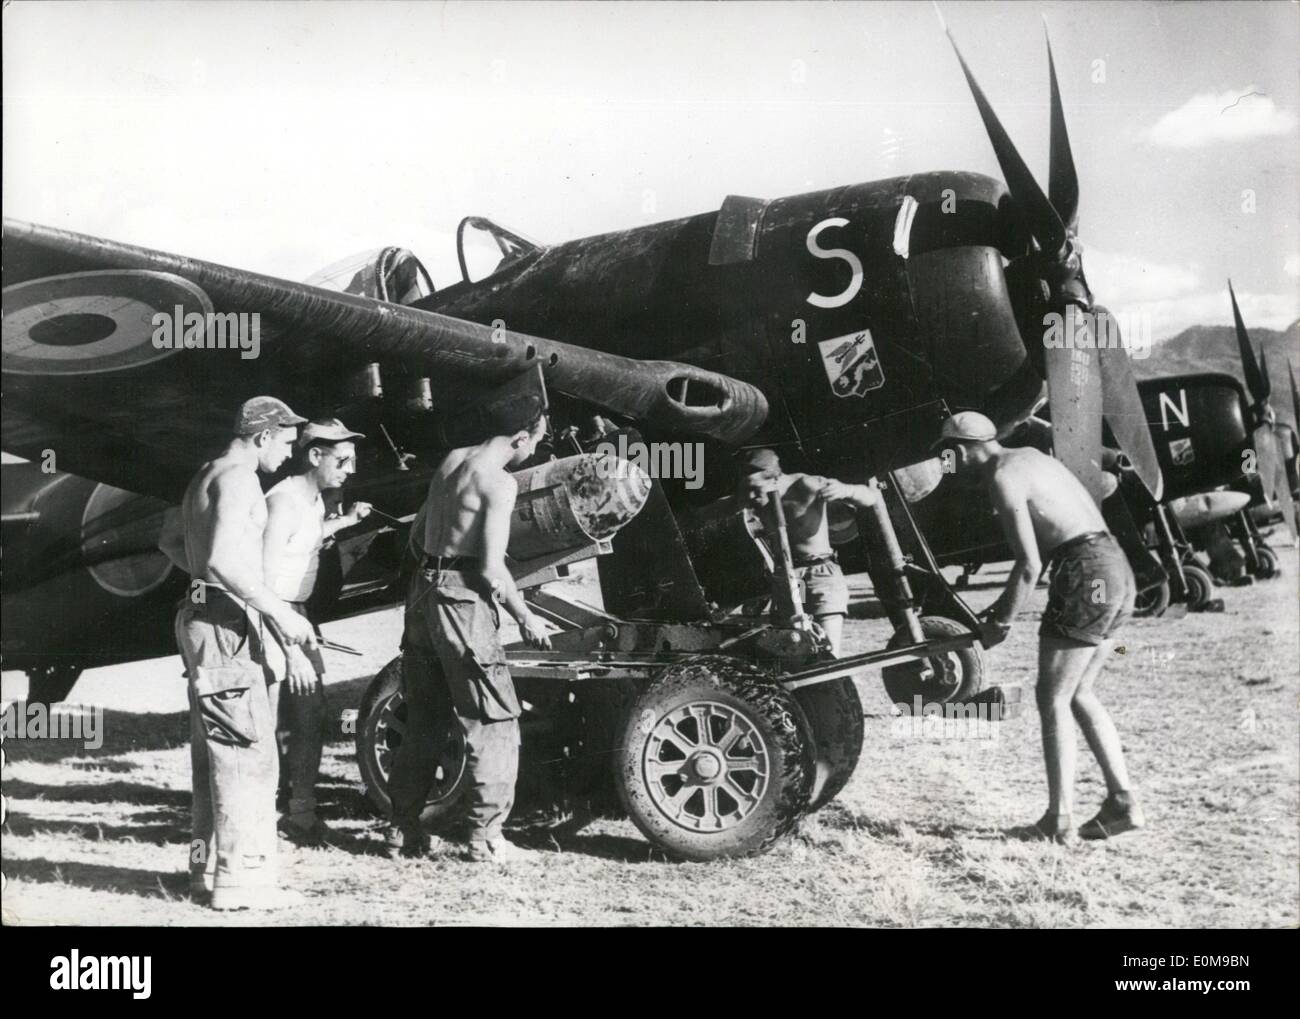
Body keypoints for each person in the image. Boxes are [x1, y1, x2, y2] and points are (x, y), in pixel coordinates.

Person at [932, 411, 1144, 843]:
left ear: (962, 449)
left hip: (1084, 570)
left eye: (950, 454)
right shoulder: (1031, 456)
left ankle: (1059, 819)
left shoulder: (1003, 477)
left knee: (1053, 696)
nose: (950, 464)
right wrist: (999, 607)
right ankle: (1122, 803)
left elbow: (1029, 564)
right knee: (1079, 692)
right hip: (1114, 565)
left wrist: (1002, 624)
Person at [158, 396, 318, 910]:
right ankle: (242, 883)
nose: (289, 454)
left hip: (200, 615)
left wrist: (204, 581)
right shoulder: (241, 478)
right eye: (288, 442)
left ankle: (205, 872)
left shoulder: (205, 473)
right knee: (246, 753)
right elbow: (226, 558)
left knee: (214, 751)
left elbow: (170, 543)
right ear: (263, 436)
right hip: (225, 621)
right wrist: (281, 613)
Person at [385, 405, 552, 863]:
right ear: (520, 436)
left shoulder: (453, 460)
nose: (536, 449)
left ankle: (403, 832)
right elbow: (491, 567)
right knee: (494, 720)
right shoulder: (499, 482)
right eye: (536, 440)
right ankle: (486, 838)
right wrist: (524, 616)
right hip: (462, 601)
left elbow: (420, 531)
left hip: (423, 593)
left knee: (423, 717)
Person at [263, 418, 372, 846]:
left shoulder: (310, 501)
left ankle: (301, 815)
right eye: (343, 460)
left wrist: (344, 522)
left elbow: (304, 541)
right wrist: (289, 650)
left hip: (297, 615)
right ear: (314, 456)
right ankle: (263, 818)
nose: (351, 470)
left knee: (310, 716)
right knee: (270, 721)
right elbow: (264, 579)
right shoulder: (286, 501)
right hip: (275, 617)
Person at [740, 448, 880, 655]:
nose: (750, 496)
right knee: (794, 653)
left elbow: (870, 497)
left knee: (826, 653)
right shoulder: (752, 498)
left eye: (755, 488)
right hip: (789, 579)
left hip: (819, 574)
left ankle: (835, 685)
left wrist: (846, 490)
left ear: (775, 480)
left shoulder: (806, 485)